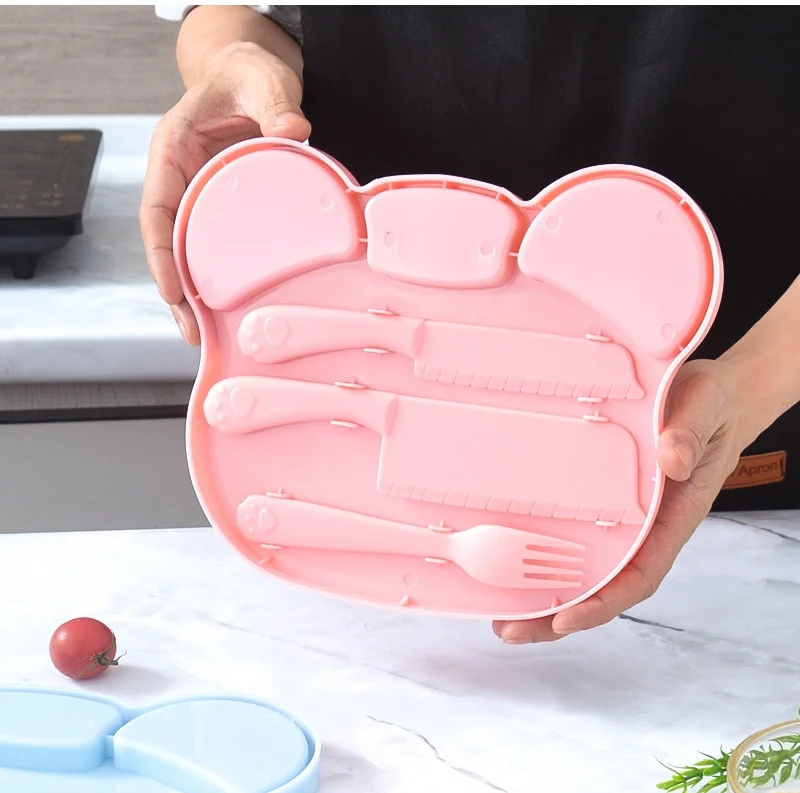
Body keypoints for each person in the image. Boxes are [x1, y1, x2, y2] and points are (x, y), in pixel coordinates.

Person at [142, 6, 800, 645]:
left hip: (732, 467)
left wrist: (748, 386)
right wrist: (234, 58)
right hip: (343, 507)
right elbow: (241, 14)